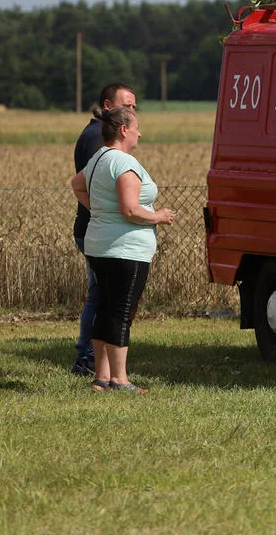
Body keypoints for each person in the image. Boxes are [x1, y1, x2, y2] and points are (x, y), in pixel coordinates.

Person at [70, 106, 175, 393]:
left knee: (104, 307)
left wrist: (101, 211)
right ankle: (120, 379)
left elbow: (77, 184)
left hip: (98, 244)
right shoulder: (124, 163)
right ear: (123, 130)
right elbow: (130, 209)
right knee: (122, 311)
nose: (140, 132)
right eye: (136, 127)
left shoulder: (98, 158)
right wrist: (159, 216)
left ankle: (101, 378)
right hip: (125, 250)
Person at [71, 83, 137, 377]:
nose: (132, 111)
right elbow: (94, 184)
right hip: (98, 230)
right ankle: (88, 359)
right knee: (102, 296)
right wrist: (103, 211)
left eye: (134, 107)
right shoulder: (98, 138)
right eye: (127, 105)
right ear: (108, 106)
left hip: (95, 227)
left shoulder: (94, 133)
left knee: (98, 293)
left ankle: (89, 357)